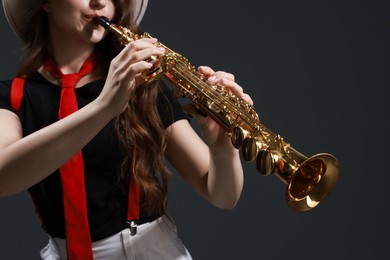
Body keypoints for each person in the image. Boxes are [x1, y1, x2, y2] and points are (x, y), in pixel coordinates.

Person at [0, 0, 253, 259]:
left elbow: (221, 195)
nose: (100, 2)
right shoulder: (13, 96)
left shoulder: (142, 83)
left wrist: (223, 147)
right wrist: (105, 106)